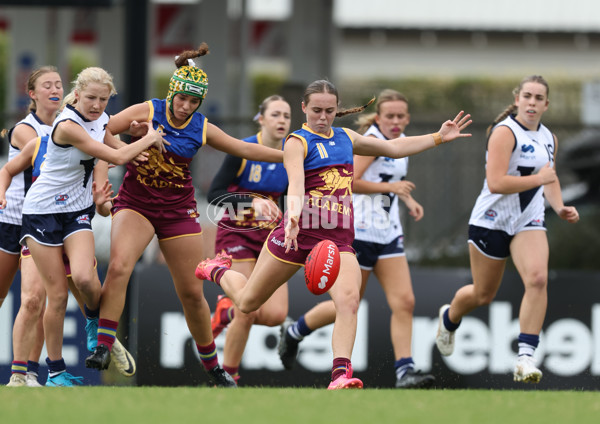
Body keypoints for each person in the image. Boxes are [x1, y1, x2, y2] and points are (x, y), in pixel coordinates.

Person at [196, 79, 472, 390]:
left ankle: (340, 375)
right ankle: (216, 270)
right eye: (316, 110)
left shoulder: (346, 137)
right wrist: (294, 217)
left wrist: (438, 137)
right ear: (304, 108)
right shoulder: (296, 142)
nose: (323, 116)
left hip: (337, 240)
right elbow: (296, 184)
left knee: (349, 301)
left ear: (337, 109)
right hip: (296, 235)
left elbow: (393, 149)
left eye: (329, 110)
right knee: (247, 303)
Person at [84, 44, 282, 388]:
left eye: (193, 102)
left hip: (178, 211)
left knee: (192, 292)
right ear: (172, 93)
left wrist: (295, 152)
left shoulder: (201, 127)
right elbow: (102, 132)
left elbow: (245, 148)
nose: (186, 106)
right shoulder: (149, 110)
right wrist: (128, 154)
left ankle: (212, 367)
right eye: (182, 99)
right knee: (118, 267)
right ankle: (103, 346)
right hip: (137, 203)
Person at [277, 89, 435, 388]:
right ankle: (296, 331)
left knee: (405, 301)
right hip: (357, 231)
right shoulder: (367, 142)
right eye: (390, 115)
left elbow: (390, 182)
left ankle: (405, 371)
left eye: (401, 116)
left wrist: (405, 198)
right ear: (378, 118)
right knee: (348, 303)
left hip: (387, 232)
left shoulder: (389, 143)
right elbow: (353, 183)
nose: (396, 120)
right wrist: (392, 188)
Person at [18, 66, 164, 386]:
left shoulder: (100, 119)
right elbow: (118, 154)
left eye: (103, 99)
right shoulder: (68, 125)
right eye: (91, 98)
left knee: (86, 278)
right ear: (78, 94)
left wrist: (102, 200)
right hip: (42, 213)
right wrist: (149, 137)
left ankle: (95, 324)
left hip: (75, 213)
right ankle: (55, 371)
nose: (97, 105)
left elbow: (111, 152)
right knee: (55, 296)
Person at [434, 75, 579, 384]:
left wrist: (559, 206)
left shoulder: (548, 137)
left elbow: (548, 178)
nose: (532, 102)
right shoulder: (504, 132)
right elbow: (498, 182)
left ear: (546, 105)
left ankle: (525, 357)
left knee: (538, 279)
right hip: (491, 220)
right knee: (483, 294)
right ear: (517, 99)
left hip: (528, 220)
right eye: (527, 96)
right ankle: (449, 318)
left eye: (539, 98)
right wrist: (538, 181)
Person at [1, 135, 136, 387]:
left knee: (87, 286)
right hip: (41, 224)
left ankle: (102, 332)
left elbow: (104, 206)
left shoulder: (96, 151)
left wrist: (103, 203)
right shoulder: (40, 142)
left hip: (74, 227)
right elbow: (8, 169)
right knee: (33, 300)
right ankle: (22, 376)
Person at [206, 95, 291, 383]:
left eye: (286, 116)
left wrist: (289, 219)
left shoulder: (291, 156)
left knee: (277, 315)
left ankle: (224, 313)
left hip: (270, 238)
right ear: (262, 119)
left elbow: (292, 201)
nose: (282, 120)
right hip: (237, 233)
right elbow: (214, 195)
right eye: (276, 114)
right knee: (248, 308)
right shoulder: (242, 149)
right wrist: (250, 203)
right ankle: (228, 377)